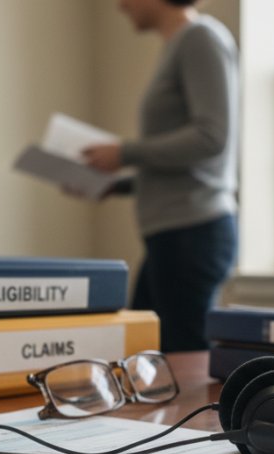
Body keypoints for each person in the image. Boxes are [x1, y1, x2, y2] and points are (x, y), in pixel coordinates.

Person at [82, 0, 238, 352]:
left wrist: (125, 152)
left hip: (192, 231)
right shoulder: (180, 44)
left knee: (183, 359)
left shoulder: (200, 38)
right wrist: (118, 185)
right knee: (145, 353)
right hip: (172, 235)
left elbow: (211, 137)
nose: (120, 5)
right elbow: (182, 165)